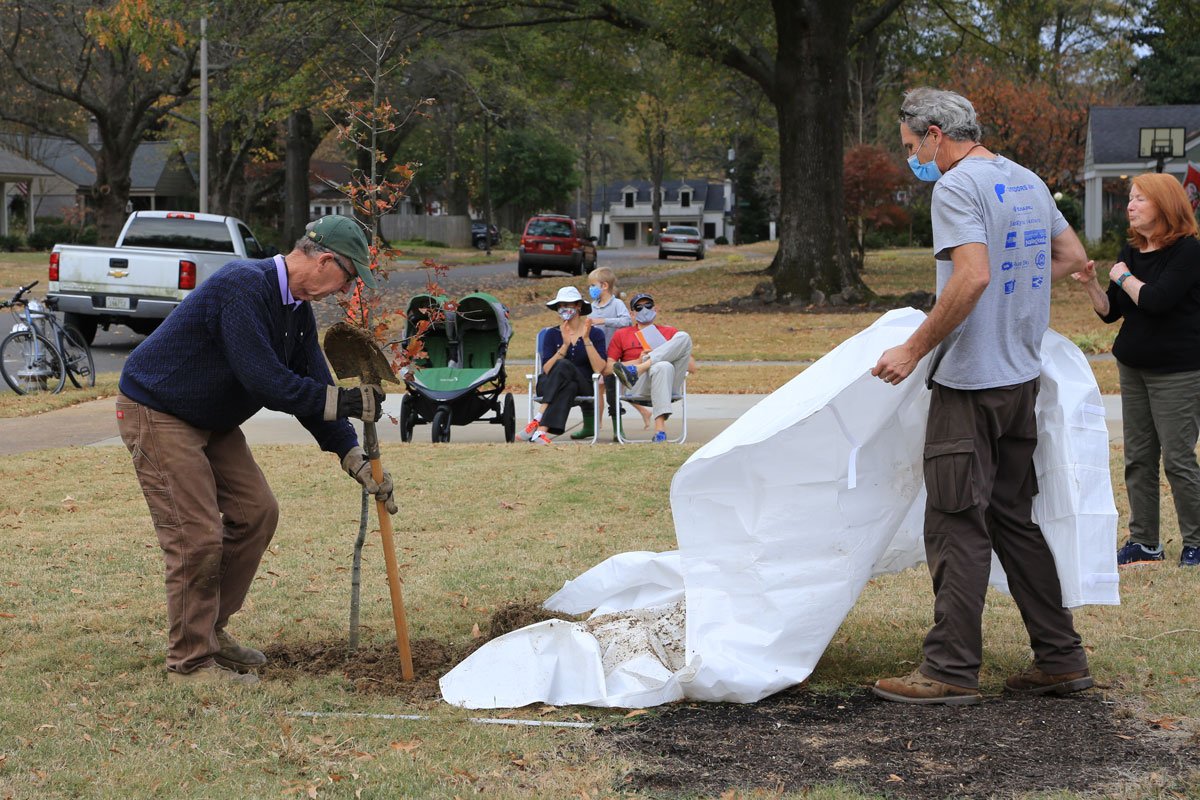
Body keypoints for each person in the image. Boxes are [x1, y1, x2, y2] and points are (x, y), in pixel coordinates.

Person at [870, 87, 1093, 705]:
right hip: (1020, 379)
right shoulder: (1025, 179)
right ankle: (1061, 658)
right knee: (1011, 519)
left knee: (954, 523)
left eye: (914, 145)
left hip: (970, 384)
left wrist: (912, 350)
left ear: (937, 132)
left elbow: (972, 275)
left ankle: (949, 669)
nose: (914, 158)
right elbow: (1072, 255)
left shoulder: (956, 186)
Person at [115, 215, 398, 686]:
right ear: (326, 260)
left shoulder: (297, 311)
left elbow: (313, 388)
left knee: (257, 512)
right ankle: (190, 664)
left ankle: (211, 631)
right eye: (347, 279)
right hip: (159, 409)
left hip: (212, 417)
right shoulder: (242, 286)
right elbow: (265, 381)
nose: (344, 292)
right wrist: (343, 402)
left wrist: (354, 459)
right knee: (197, 535)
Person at [1070, 173, 1200, 568]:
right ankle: (1145, 541)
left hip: (1178, 370)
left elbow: (1157, 300)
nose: (1130, 205)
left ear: (1165, 205)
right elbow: (1112, 312)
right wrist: (1093, 283)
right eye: (1130, 198)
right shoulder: (1133, 249)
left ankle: (1196, 541)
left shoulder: (1188, 252)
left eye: (1140, 198)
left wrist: (1122, 275)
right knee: (1139, 457)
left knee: (1177, 459)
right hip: (1134, 366)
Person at [520, 286, 608, 444]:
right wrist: (565, 345)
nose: (563, 308)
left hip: (586, 384)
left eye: (567, 304)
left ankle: (538, 417)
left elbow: (598, 368)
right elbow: (547, 369)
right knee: (568, 385)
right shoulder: (551, 334)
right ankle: (541, 432)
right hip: (550, 384)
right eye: (560, 305)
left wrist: (586, 340)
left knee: (564, 365)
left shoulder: (595, 334)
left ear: (578, 306)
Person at [608, 292, 696, 443]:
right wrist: (637, 360)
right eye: (639, 307)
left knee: (683, 337)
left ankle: (642, 367)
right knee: (661, 366)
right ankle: (660, 430)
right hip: (637, 385)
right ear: (632, 313)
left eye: (648, 306)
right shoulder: (622, 334)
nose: (644, 310)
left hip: (669, 382)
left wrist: (660, 354)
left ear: (656, 309)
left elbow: (692, 367)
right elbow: (609, 368)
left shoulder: (670, 332)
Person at [577, 266, 631, 441]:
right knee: (592, 390)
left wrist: (604, 321)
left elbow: (626, 321)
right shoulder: (592, 306)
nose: (590, 289)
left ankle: (618, 429)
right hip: (594, 356)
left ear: (604, 285)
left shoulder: (617, 304)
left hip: (612, 356)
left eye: (592, 285)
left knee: (612, 392)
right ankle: (591, 425)